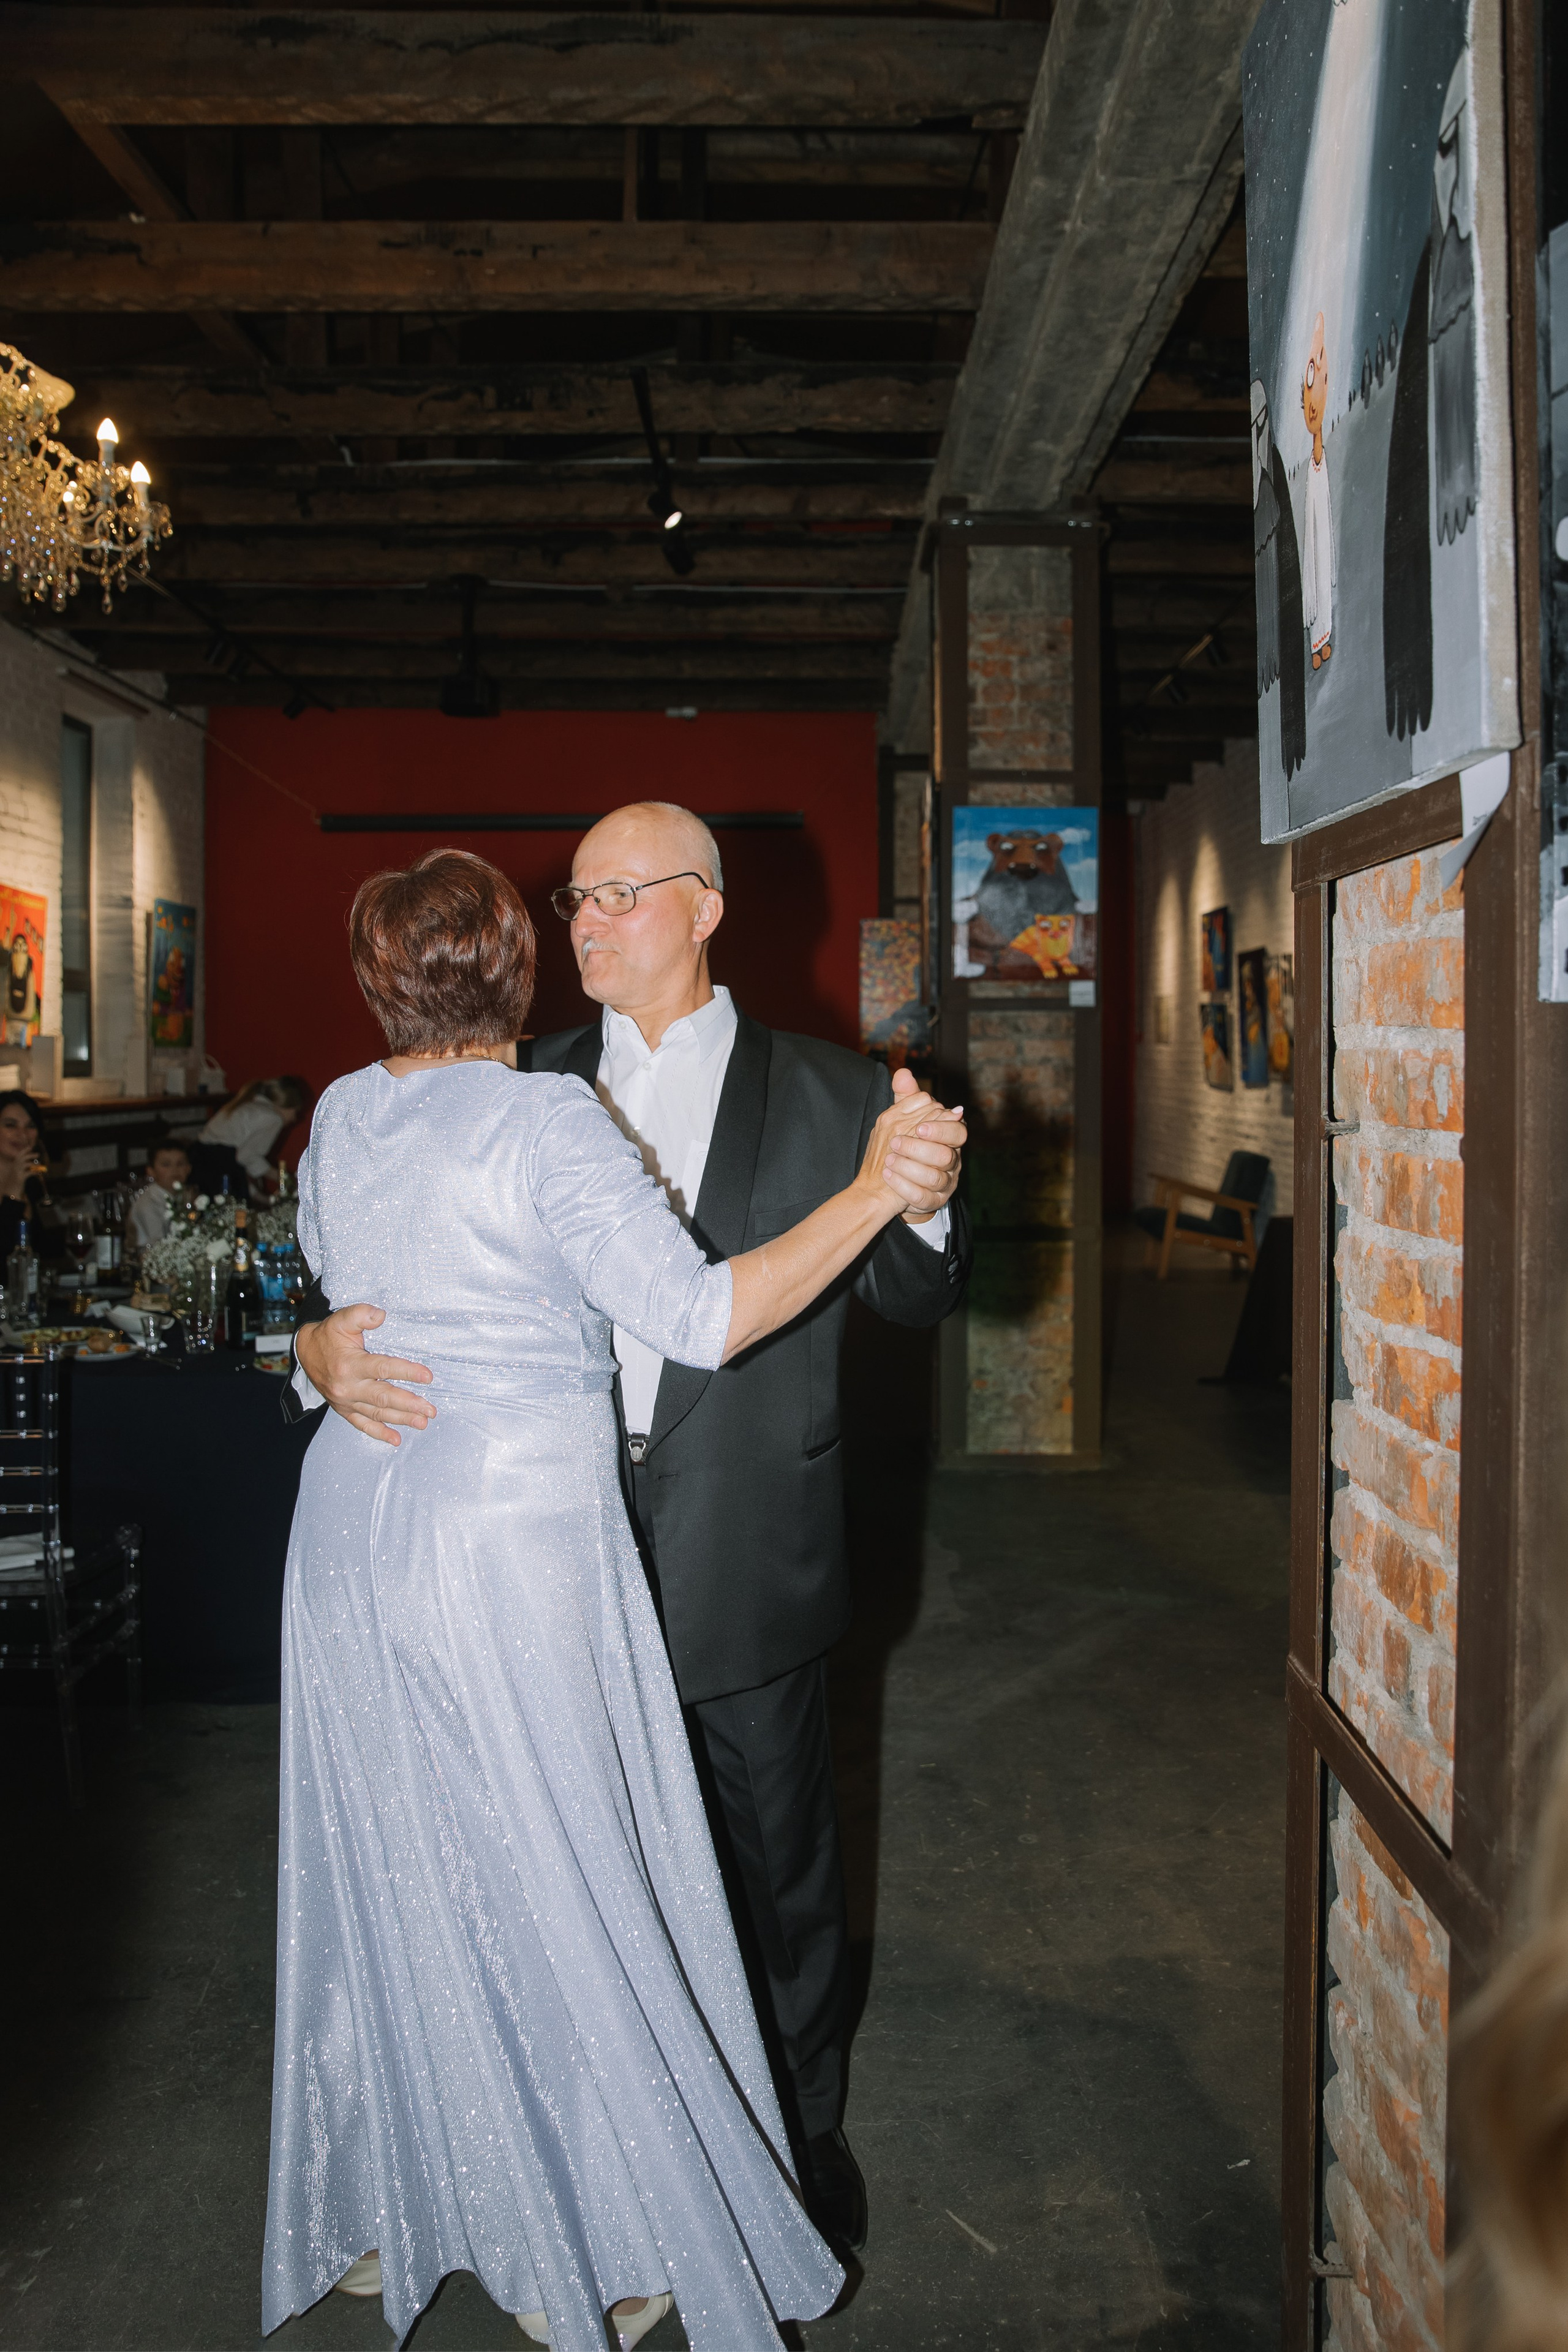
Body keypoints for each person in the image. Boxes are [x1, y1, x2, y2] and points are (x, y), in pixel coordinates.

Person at [263, 848, 965, 2349]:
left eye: (618, 889)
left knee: (522, 1866)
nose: (589, 918)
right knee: (560, 1879)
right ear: (519, 953)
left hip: (453, 1542)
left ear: (706, 905)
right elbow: (690, 1310)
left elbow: (344, 1261)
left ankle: (671, 2151)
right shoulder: (542, 1097)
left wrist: (910, 1197)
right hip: (518, 1549)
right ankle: (600, 2205)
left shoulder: (347, 1108)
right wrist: (309, 1346)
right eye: (568, 901)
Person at [192, 1075, 309, 1197]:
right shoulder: (273, 1118)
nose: (294, 1119)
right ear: (286, 1105)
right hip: (218, 1167)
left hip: (201, 1159)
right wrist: (285, 1179)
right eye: (295, 1112)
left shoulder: (249, 1106)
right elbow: (247, 1157)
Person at [0, 1087, 59, 1266]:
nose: (23, 1134)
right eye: (11, 1125)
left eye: (31, 1126)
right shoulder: (22, 1181)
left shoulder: (32, 1182)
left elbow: (42, 1253)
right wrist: (13, 1196)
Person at [127, 1140, 192, 1254]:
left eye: (180, 1164)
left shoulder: (185, 1195)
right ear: (151, 1171)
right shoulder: (148, 1204)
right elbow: (159, 1245)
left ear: (188, 1169)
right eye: (166, 1165)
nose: (175, 1170)